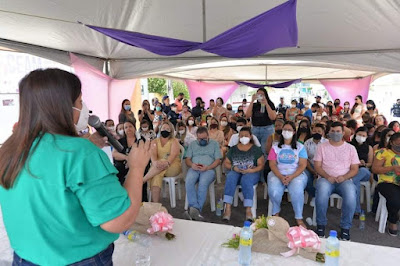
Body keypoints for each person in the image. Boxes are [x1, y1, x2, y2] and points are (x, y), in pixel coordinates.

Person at [0, 69, 151, 265]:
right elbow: (118, 221)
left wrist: (87, 142)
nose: (85, 109)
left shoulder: (11, 148)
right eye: (80, 102)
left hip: (25, 258)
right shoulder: (81, 153)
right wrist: (137, 167)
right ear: (63, 106)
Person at [314, 122, 359, 240]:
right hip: (325, 178)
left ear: (343, 133)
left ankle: (345, 228)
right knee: (322, 192)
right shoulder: (322, 147)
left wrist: (344, 177)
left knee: (350, 195)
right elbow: (317, 166)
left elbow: (355, 169)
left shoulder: (351, 148)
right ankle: (321, 225)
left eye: (338, 131)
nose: (335, 133)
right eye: (332, 131)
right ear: (329, 132)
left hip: (344, 180)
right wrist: (327, 176)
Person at [267, 121, 308, 227]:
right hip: (277, 173)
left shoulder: (300, 147)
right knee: (274, 190)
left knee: (297, 190)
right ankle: (276, 212)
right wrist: (280, 176)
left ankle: (299, 217)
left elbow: (302, 165)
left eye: (289, 130)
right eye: (285, 129)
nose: (286, 132)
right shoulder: (275, 147)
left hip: (296, 174)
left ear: (294, 132)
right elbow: (272, 164)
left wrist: (291, 176)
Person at [222, 127, 264, 221]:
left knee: (247, 180)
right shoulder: (233, 149)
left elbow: (261, 165)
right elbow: (226, 163)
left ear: (250, 136)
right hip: (236, 170)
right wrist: (234, 168)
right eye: (241, 136)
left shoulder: (256, 149)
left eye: (246, 135)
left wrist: (252, 171)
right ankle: (228, 208)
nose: (243, 137)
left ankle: (248, 209)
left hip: (251, 172)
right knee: (230, 178)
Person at [184, 127, 222, 221]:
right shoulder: (193, 144)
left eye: (204, 138)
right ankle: (194, 207)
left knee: (203, 183)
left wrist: (208, 167)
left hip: (208, 169)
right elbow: (187, 159)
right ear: (197, 137)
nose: (202, 141)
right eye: (200, 139)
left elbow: (218, 160)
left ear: (208, 136)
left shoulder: (214, 144)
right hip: (195, 168)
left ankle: (196, 209)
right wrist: (192, 165)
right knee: (189, 181)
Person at [143, 122, 181, 203]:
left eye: (167, 129)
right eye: (163, 128)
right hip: (157, 167)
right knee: (156, 175)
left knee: (162, 162)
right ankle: (155, 204)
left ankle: (143, 180)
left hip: (172, 165)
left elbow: (172, 156)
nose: (165, 130)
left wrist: (166, 163)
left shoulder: (174, 141)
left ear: (171, 131)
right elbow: (152, 153)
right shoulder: (155, 141)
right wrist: (154, 162)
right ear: (160, 130)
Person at [372, 132, 400, 236]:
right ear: (391, 142)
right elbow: (375, 169)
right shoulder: (383, 152)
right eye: (398, 144)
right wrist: (392, 168)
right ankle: (392, 221)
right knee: (395, 199)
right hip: (387, 182)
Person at [349, 127, 373, 216]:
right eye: (359, 135)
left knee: (358, 174)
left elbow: (370, 163)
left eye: (363, 136)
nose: (361, 137)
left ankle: (354, 207)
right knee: (356, 182)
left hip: (364, 170)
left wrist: (364, 163)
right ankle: (356, 209)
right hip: (351, 170)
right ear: (355, 134)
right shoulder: (349, 146)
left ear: (366, 137)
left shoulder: (368, 148)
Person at [246, 88, 276, 154]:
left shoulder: (270, 104)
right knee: (255, 149)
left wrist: (266, 104)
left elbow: (273, 117)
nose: (260, 96)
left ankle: (264, 163)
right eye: (258, 94)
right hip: (255, 128)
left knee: (264, 149)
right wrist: (252, 101)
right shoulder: (254, 105)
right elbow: (247, 115)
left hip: (267, 129)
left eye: (262, 94)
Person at [304, 123, 328, 203]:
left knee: (322, 180)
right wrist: (312, 171)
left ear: (323, 132)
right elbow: (305, 159)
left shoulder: (327, 143)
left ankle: (321, 197)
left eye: (319, 131)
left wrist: (319, 171)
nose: (316, 133)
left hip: (324, 167)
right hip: (310, 166)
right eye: (314, 131)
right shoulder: (307, 143)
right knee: (305, 177)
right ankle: (314, 195)